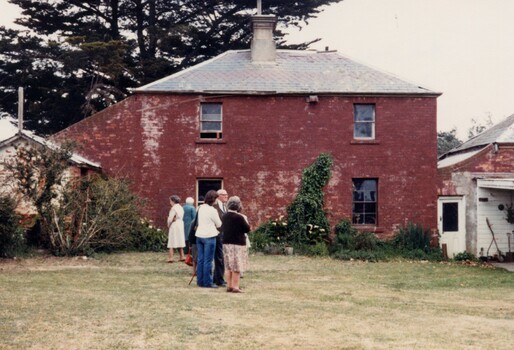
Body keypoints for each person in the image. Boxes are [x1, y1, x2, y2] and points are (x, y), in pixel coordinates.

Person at [221, 196, 250, 293]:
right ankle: (235, 287)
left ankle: (229, 285)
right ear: (238, 206)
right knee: (237, 265)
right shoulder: (240, 217)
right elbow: (247, 229)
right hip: (238, 243)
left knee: (228, 265)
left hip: (226, 242)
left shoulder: (224, 216)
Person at [195, 190, 222, 288]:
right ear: (213, 199)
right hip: (209, 236)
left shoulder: (200, 208)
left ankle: (200, 281)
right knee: (208, 260)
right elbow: (219, 224)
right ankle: (208, 282)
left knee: (200, 259)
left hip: (199, 235)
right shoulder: (212, 210)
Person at [212, 188, 229, 286]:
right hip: (216, 234)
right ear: (219, 196)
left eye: (227, 195)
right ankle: (218, 280)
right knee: (219, 257)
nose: (226, 196)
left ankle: (218, 278)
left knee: (221, 257)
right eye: (224, 194)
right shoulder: (215, 206)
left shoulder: (224, 206)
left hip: (223, 234)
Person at [167, 195, 186, 263]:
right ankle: (182, 256)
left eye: (170, 201)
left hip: (174, 224)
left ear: (173, 201)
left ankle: (171, 257)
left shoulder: (173, 208)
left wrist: (168, 224)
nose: (170, 202)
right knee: (179, 239)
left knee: (172, 239)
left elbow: (170, 218)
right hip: (180, 224)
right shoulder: (181, 207)